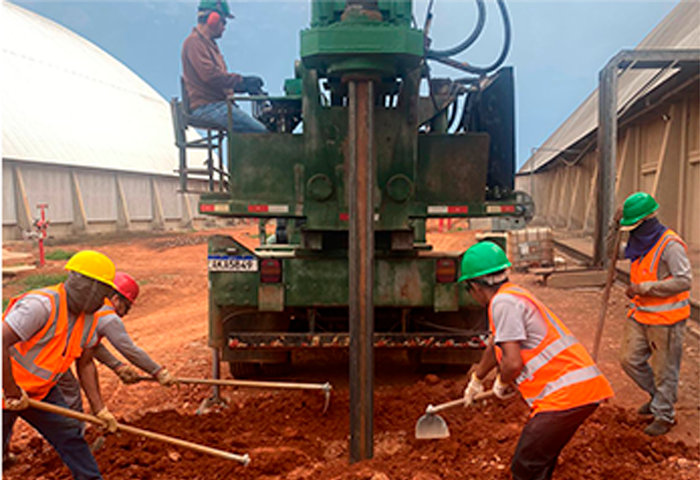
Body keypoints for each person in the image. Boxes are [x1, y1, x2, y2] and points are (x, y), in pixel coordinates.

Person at [460, 241, 614, 480]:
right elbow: (495, 344)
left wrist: (501, 383)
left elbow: (512, 363)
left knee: (526, 466)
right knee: (539, 460)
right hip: (577, 392)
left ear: (475, 287)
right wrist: (477, 379)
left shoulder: (503, 303)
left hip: (565, 396)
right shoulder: (511, 296)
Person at [3, 250, 118, 480]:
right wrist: (11, 390)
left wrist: (99, 409)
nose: (103, 299)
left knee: (70, 435)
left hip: (40, 391)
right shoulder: (41, 306)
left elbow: (85, 364)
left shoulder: (89, 318)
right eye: (102, 291)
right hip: (5, 388)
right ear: (87, 286)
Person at [612, 192, 692, 436]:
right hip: (641, 314)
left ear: (647, 219)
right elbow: (610, 253)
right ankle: (659, 398)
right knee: (629, 360)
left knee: (665, 371)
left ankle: (664, 415)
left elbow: (684, 281)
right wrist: (613, 226)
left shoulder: (670, 245)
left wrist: (644, 288)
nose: (631, 231)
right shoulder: (639, 243)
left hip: (666, 320)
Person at [57, 271, 177, 418]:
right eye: (126, 307)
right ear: (116, 299)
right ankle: (74, 438)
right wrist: (158, 372)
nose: (125, 314)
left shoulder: (94, 309)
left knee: (68, 390)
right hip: (52, 356)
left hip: (54, 351)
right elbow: (130, 351)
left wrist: (117, 366)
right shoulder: (109, 317)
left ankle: (73, 434)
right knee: (70, 391)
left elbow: (91, 344)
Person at [181, 0, 268, 132]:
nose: (224, 27)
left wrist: (243, 86)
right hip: (207, 107)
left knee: (255, 130)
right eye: (224, 22)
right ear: (213, 19)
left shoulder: (210, 45)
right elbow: (210, 76)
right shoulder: (194, 42)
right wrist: (242, 81)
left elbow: (221, 81)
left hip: (217, 104)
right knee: (260, 133)